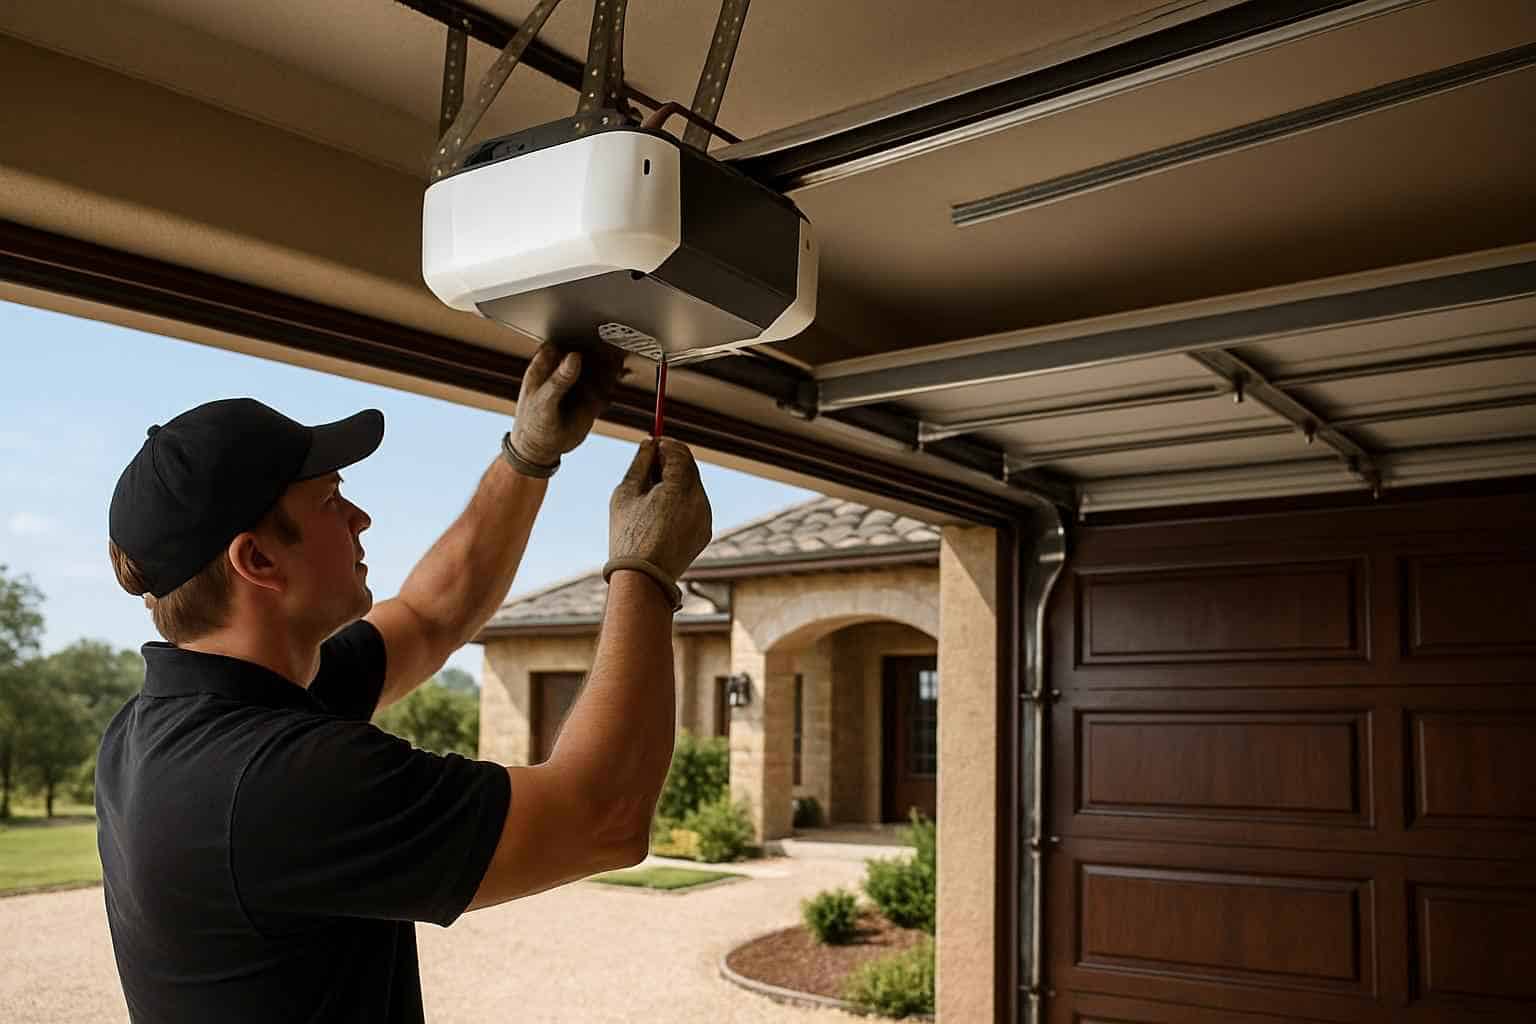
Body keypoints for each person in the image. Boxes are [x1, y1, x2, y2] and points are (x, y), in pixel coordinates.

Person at [94, 342, 713, 1023]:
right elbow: (602, 816)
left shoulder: (161, 730)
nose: (360, 517)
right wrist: (646, 572)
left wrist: (530, 453)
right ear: (259, 559)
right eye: (330, 499)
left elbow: (428, 616)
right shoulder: (276, 781)